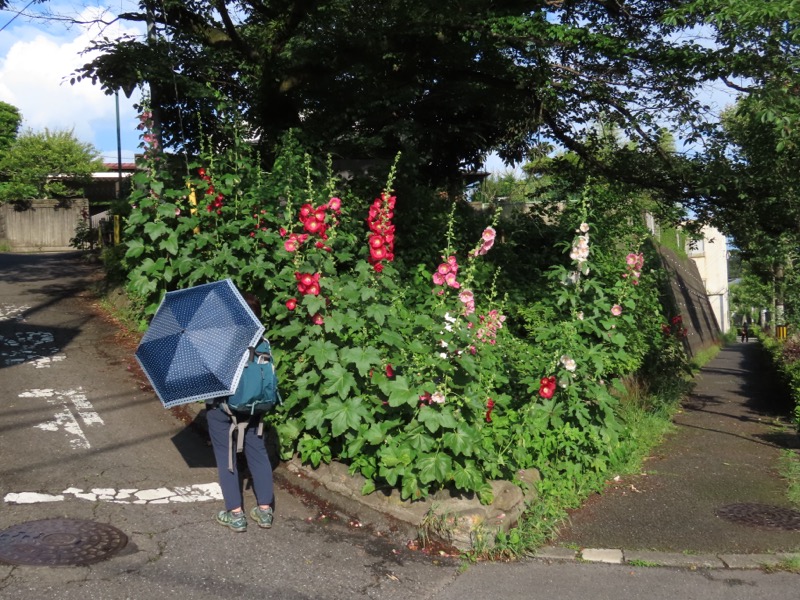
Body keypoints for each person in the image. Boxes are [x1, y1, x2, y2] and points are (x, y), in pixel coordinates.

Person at [206, 292, 274, 532]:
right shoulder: (263, 342)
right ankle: (265, 511)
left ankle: (235, 514)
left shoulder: (222, 342)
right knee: (258, 453)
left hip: (223, 409)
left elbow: (213, 379)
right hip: (256, 408)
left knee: (227, 458)